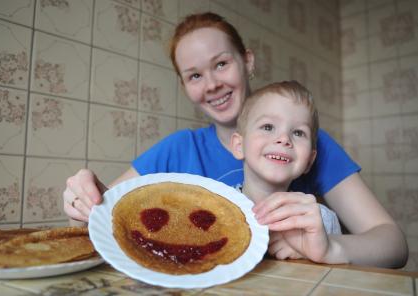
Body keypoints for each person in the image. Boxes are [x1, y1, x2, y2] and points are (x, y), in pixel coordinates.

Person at [63, 12, 408, 268]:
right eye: (195, 75)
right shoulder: (178, 149)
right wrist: (83, 203)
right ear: (185, 87)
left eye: (221, 63)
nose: (211, 83)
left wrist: (334, 249)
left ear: (247, 62)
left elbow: (393, 244)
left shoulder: (306, 143)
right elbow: (100, 222)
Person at [230, 80, 340, 260]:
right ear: (239, 146)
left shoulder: (323, 221)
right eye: (268, 127)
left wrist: (312, 255)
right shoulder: (215, 209)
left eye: (298, 132)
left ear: (310, 161)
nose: (283, 138)